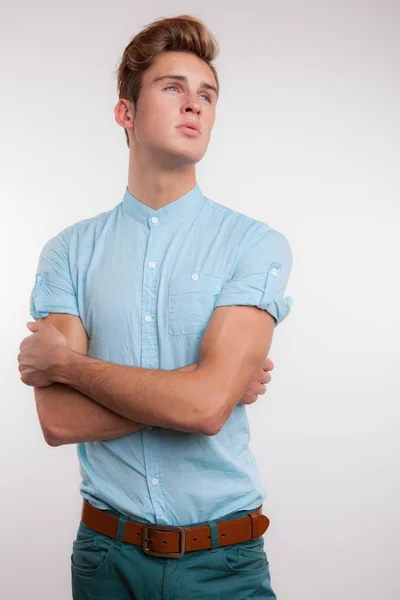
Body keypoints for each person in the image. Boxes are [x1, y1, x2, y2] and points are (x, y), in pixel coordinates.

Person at [18, 14, 293, 600]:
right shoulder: (67, 252)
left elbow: (207, 409)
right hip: (105, 561)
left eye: (207, 95)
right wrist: (203, 389)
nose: (194, 105)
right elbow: (59, 421)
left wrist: (67, 367)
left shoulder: (255, 244)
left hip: (225, 565)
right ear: (126, 112)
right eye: (172, 88)